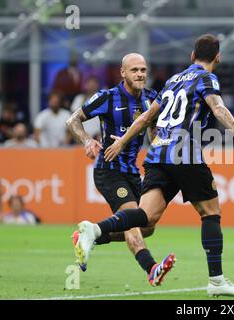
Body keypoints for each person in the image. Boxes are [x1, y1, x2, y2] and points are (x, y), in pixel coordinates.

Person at [73, 34, 234, 297]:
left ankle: (95, 229)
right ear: (217, 57)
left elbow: (147, 117)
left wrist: (123, 141)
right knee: (210, 212)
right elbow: (217, 108)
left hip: (158, 154)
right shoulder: (207, 78)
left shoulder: (172, 81)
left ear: (192, 56)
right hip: (184, 152)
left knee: (147, 218)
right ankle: (216, 281)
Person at [66, 53, 163, 282]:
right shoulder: (107, 98)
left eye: (143, 70)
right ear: (123, 73)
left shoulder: (151, 98)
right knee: (130, 218)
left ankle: (92, 236)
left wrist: (158, 144)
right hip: (109, 170)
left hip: (133, 172)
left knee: (147, 225)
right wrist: (87, 141)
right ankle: (151, 268)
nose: (140, 74)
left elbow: (153, 134)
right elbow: (73, 120)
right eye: (134, 70)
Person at [70, 76, 102, 140]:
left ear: (97, 85)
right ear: (85, 85)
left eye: (94, 84)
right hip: (82, 137)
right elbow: (72, 119)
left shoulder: (102, 99)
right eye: (89, 84)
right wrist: (78, 137)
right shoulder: (79, 98)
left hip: (99, 137)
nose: (91, 86)